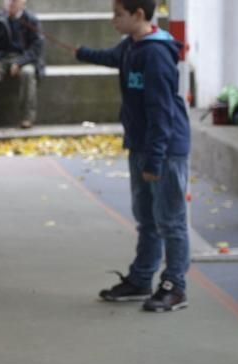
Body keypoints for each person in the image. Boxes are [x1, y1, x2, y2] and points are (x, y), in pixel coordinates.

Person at [77, 0, 191, 312]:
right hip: (142, 145)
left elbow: (162, 113)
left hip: (164, 150)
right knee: (147, 218)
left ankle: (175, 285)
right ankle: (142, 278)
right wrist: (82, 52)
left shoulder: (155, 55)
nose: (113, 20)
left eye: (118, 14)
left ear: (138, 15)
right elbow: (112, 57)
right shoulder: (131, 46)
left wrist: (155, 159)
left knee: (170, 220)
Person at [0, 0, 44, 129]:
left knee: (28, 73)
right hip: (1, 59)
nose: (10, 3)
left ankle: (27, 117)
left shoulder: (31, 20)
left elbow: (36, 47)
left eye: (14, 1)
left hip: (24, 59)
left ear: (23, 2)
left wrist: (20, 62)